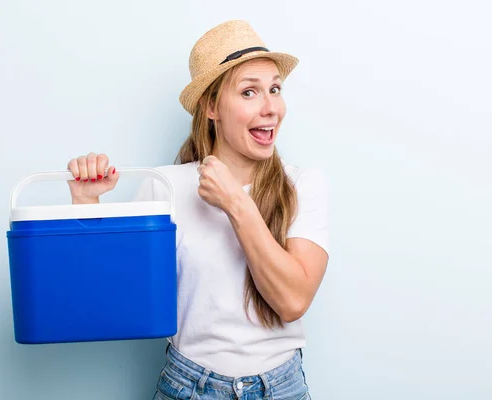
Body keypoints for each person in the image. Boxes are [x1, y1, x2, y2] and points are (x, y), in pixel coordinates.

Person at [66, 20, 329, 400]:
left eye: (275, 89)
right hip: (188, 387)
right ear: (211, 107)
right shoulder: (164, 186)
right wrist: (86, 204)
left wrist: (235, 203)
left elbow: (292, 302)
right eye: (250, 92)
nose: (271, 108)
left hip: (282, 388)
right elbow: (111, 298)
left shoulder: (304, 185)